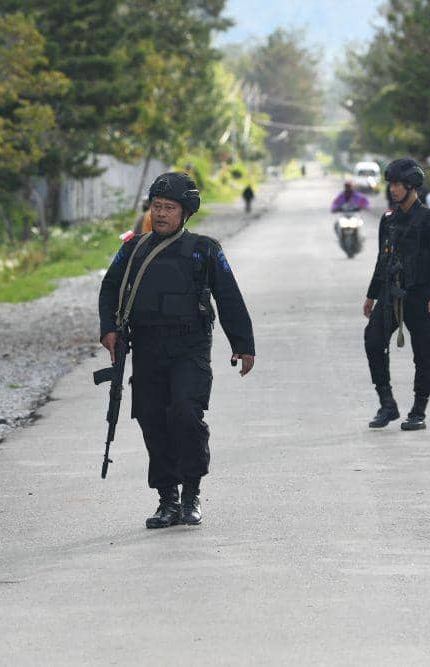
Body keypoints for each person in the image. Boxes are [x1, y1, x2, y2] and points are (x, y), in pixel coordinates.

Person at [98, 172, 255, 529]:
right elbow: (109, 290)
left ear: (185, 213)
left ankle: (191, 494)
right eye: (157, 207)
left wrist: (243, 345)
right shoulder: (132, 248)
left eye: (170, 208)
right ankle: (167, 498)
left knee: (185, 414)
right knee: (153, 421)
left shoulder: (205, 249)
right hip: (148, 348)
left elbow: (229, 298)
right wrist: (108, 329)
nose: (162, 214)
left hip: (190, 347)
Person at [363, 158, 430, 431]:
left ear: (412, 187)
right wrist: (371, 295)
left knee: (423, 353)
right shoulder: (388, 221)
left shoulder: (429, 220)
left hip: (420, 295)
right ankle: (387, 404)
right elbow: (381, 259)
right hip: (390, 294)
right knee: (374, 341)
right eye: (392, 185)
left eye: (399, 185)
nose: (394, 190)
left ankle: (419, 410)